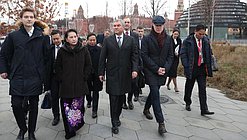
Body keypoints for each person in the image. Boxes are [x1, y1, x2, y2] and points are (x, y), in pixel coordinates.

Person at [0, 7, 49, 140]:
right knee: (16, 105)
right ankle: (23, 128)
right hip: (18, 76)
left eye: (31, 17)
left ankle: (31, 132)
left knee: (33, 106)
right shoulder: (13, 36)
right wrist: (3, 70)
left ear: (34, 19)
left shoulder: (42, 37)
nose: (29, 19)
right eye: (26, 17)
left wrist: (45, 77)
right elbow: (3, 54)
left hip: (35, 77)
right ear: (21, 19)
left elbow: (47, 58)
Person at [98, 19, 139, 134]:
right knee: (113, 98)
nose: (115, 27)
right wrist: (101, 72)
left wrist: (135, 69)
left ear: (122, 27)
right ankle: (114, 122)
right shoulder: (108, 40)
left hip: (125, 74)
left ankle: (117, 116)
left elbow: (135, 56)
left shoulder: (130, 40)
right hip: (112, 74)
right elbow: (102, 57)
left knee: (121, 98)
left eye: (118, 25)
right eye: (114, 26)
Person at [55, 29, 92, 139]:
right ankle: (68, 130)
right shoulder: (62, 51)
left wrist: (84, 77)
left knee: (77, 108)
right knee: (66, 108)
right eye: (71, 37)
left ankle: (75, 126)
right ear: (66, 39)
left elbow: (88, 65)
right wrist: (62, 78)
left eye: (75, 36)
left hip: (80, 85)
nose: (73, 38)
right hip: (66, 86)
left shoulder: (83, 50)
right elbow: (57, 67)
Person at [141, 15, 173, 135]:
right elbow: (144, 56)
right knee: (156, 93)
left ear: (163, 25)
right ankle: (161, 123)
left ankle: (146, 109)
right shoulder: (146, 39)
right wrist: (156, 69)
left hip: (163, 71)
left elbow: (171, 56)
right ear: (153, 25)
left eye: (160, 26)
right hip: (151, 70)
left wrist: (165, 68)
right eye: (156, 25)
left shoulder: (168, 39)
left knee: (154, 92)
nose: (158, 28)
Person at [180, 24, 214, 116]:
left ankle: (204, 109)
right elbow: (183, 54)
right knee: (189, 87)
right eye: (200, 34)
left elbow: (209, 52)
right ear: (195, 31)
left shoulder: (206, 40)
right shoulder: (188, 41)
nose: (202, 36)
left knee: (202, 89)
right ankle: (187, 102)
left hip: (202, 68)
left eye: (203, 34)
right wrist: (186, 65)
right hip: (192, 68)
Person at [44, 30, 63, 126]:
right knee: (54, 98)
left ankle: (66, 114)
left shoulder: (67, 47)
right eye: (54, 39)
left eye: (57, 38)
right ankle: (56, 116)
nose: (56, 41)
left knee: (65, 98)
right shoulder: (49, 49)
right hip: (54, 78)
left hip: (65, 78)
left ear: (61, 37)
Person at [122, 17, 140, 110]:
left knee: (133, 84)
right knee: (122, 84)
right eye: (125, 22)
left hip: (132, 64)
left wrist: (136, 67)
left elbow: (137, 52)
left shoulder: (135, 36)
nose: (127, 24)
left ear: (130, 24)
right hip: (122, 65)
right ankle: (123, 101)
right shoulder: (119, 35)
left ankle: (130, 100)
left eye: (128, 22)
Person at [85, 33, 103, 118]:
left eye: (94, 40)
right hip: (87, 74)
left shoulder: (100, 50)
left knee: (96, 91)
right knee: (87, 89)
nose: (92, 42)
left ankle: (94, 110)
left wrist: (102, 73)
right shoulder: (84, 49)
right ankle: (89, 100)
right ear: (87, 40)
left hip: (97, 73)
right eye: (90, 40)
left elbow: (102, 62)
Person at [166, 28, 182, 92]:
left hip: (176, 58)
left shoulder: (179, 40)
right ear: (172, 33)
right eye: (175, 34)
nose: (176, 35)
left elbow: (181, 48)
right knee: (172, 73)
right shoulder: (169, 40)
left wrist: (179, 53)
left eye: (177, 34)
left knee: (173, 72)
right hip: (170, 58)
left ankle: (168, 84)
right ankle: (175, 87)